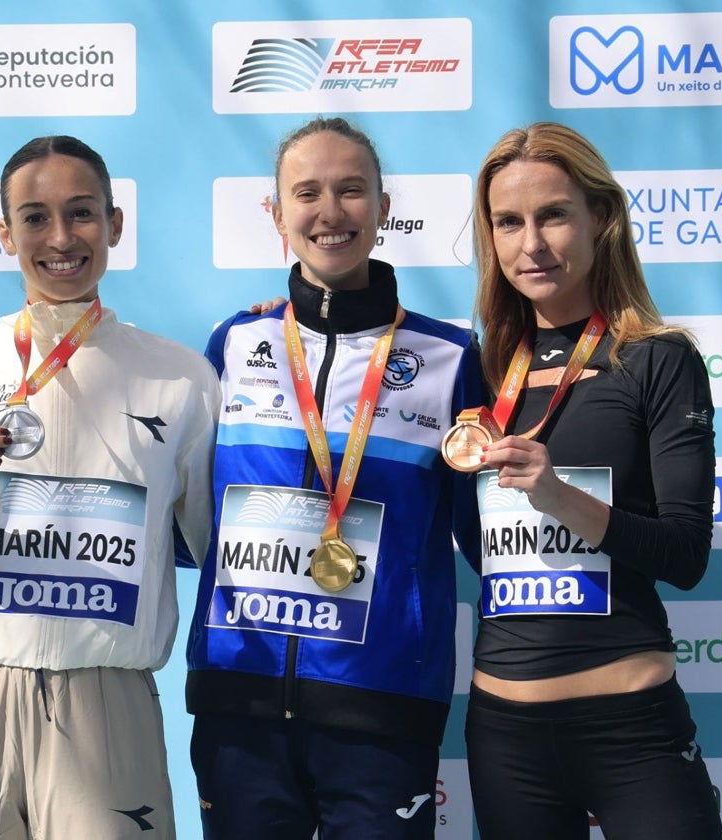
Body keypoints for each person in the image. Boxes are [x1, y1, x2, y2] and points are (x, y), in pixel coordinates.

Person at [0, 135, 221, 840]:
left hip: (109, 696)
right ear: (4, 232)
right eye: (35, 217)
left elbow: (217, 546)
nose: (61, 237)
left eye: (82, 213)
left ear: (116, 224)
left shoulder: (182, 376)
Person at [185, 116, 485, 840]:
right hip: (241, 702)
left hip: (382, 704)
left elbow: (484, 533)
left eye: (351, 191)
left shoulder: (449, 357)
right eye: (307, 192)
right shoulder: (235, 342)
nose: (330, 211)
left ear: (384, 208)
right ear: (277, 213)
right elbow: (182, 512)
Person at [464, 121, 722, 839]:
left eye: (553, 214)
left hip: (631, 727)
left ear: (601, 216)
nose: (532, 244)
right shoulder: (480, 369)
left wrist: (558, 497)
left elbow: (685, 554)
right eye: (508, 222)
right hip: (504, 729)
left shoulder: (658, 360)